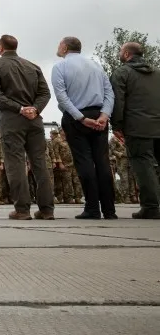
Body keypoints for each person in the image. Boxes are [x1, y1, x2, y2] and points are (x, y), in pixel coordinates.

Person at [0, 34, 55, 220]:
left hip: (11, 119)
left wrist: (19, 108)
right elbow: (45, 93)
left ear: (0, 48)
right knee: (40, 163)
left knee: (15, 163)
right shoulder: (33, 67)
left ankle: (22, 209)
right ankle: (47, 209)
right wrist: (35, 108)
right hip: (35, 120)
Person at [51, 36, 117, 220]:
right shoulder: (96, 65)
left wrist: (80, 118)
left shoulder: (60, 67)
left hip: (76, 117)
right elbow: (109, 92)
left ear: (64, 48)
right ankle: (110, 209)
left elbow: (62, 97)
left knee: (84, 162)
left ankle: (92, 208)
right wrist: (105, 115)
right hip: (99, 116)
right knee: (102, 162)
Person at [110, 42, 160, 219]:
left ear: (125, 54)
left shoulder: (122, 73)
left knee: (143, 164)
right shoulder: (157, 72)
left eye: (120, 50)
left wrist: (116, 125)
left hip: (138, 127)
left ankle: (151, 207)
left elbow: (118, 100)